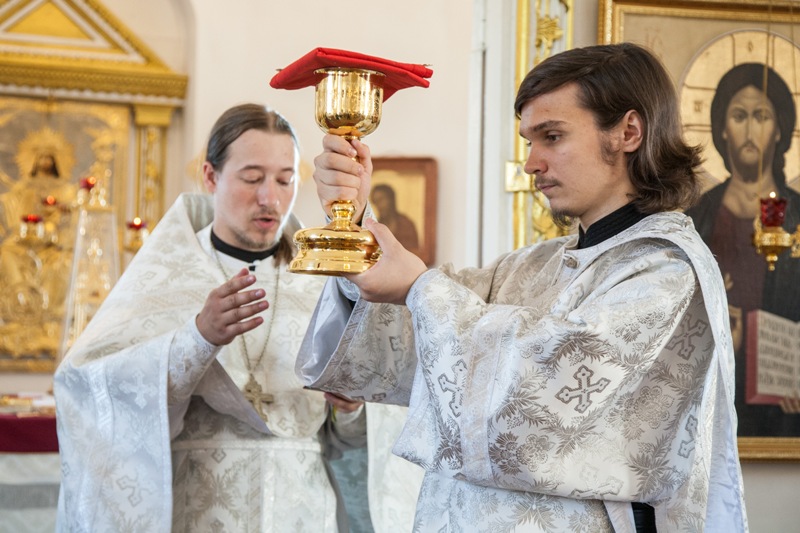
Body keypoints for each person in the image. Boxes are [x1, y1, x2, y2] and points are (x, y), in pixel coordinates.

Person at [296, 43, 747, 531]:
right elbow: (410, 347)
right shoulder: (533, 265)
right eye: (529, 141)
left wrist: (420, 288)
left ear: (628, 132)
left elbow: (541, 402)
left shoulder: (667, 271)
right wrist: (354, 224)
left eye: (551, 136)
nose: (531, 163)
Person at [53, 103, 370, 532]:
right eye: (252, 178)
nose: (270, 198)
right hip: (198, 513)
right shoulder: (164, 275)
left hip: (304, 514)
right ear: (210, 176)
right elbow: (92, 392)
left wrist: (350, 408)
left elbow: (355, 443)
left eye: (285, 180)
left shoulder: (322, 283)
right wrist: (197, 339)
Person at [686, 63, 800, 436]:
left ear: (779, 129)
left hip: (786, 404)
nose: (750, 131)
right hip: (712, 392)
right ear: (722, 128)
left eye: (761, 116)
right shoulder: (696, 218)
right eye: (739, 116)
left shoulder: (798, 215)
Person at [370, 183, 419, 250]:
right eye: (375, 202)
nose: (378, 206)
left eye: (381, 200)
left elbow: (414, 250)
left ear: (391, 199)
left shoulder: (406, 225)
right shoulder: (376, 227)